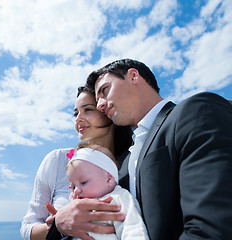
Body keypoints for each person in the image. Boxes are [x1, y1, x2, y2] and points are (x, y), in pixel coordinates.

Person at [46, 59, 232, 240]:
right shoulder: (123, 161)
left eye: (104, 90)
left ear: (134, 76)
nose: (101, 104)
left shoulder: (195, 112)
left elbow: (213, 226)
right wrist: (61, 224)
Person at [20, 86, 132, 240]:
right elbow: (27, 229)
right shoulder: (57, 160)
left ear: (108, 110)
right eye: (76, 113)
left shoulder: (134, 162)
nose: (78, 118)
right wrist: (58, 225)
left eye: (88, 110)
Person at [65, 142, 149, 240]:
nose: (76, 191)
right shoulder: (76, 209)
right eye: (73, 186)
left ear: (108, 179)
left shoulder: (117, 199)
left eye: (83, 182)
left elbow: (132, 228)